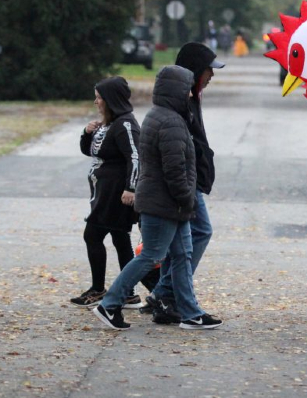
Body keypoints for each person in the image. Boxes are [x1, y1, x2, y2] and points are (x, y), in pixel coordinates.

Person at [92, 65, 222, 330]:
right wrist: (187, 199)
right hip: (164, 204)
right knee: (151, 255)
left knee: (183, 254)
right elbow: (174, 170)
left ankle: (190, 312)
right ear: (177, 91)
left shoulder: (162, 116)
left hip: (169, 203)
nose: (189, 96)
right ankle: (109, 304)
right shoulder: (170, 122)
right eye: (187, 90)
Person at [143, 43, 225, 325]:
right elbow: (178, 150)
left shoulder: (192, 97)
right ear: (194, 71)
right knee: (199, 232)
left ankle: (165, 294)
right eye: (208, 70)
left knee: (183, 243)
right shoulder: (180, 102)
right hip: (184, 183)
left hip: (193, 180)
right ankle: (165, 292)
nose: (212, 76)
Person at [71, 76, 155, 309]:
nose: (96, 102)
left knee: (92, 236)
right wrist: (87, 133)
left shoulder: (125, 124)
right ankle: (128, 293)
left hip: (116, 194)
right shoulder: (109, 123)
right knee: (120, 238)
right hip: (103, 191)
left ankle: (99, 289)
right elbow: (91, 151)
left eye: (99, 98)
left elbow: (135, 157)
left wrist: (131, 187)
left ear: (110, 100)